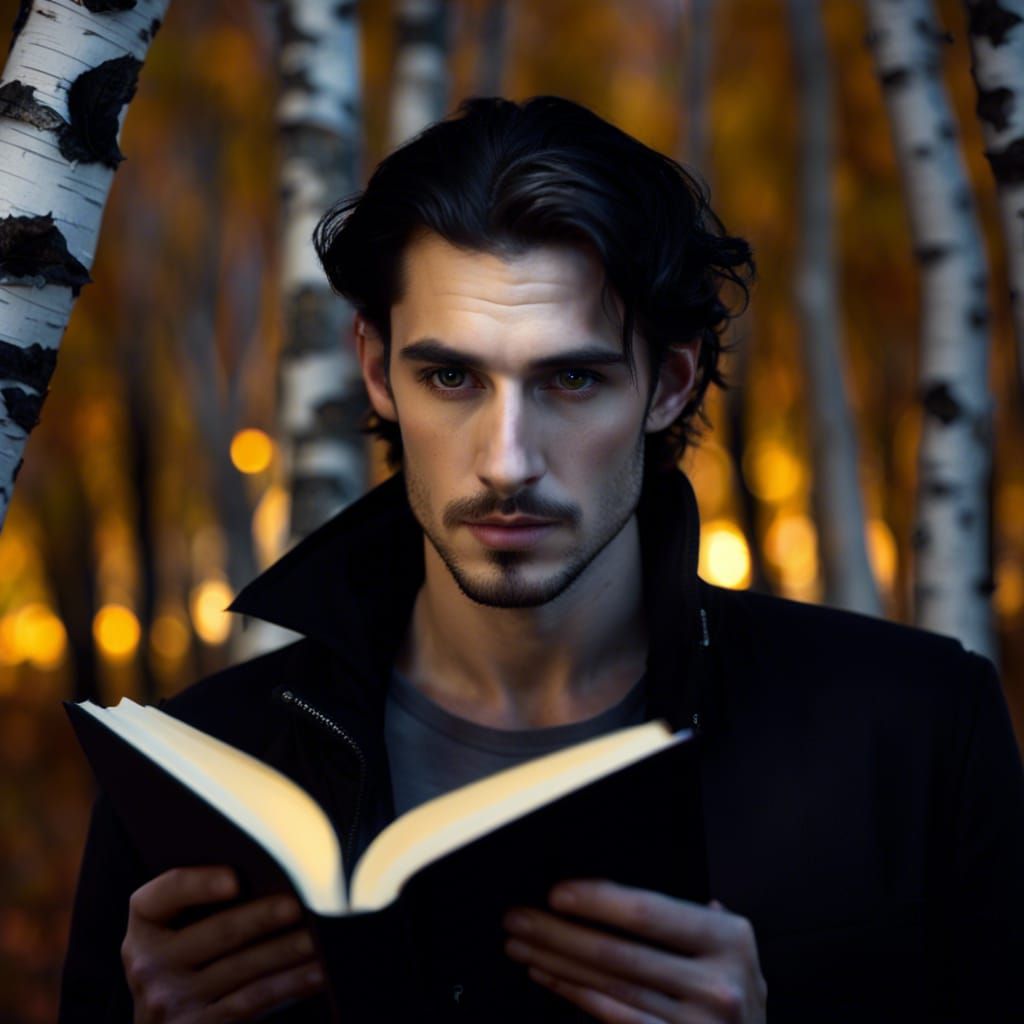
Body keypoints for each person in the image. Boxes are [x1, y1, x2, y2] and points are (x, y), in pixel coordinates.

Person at [59, 96, 1023, 1023]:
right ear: (374, 369)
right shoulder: (202, 774)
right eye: (450, 376)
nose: (506, 461)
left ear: (670, 383)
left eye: (570, 378)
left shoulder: (917, 730)